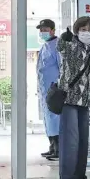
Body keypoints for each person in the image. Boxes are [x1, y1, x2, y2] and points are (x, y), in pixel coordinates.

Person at [57, 17, 90, 179]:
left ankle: (79, 176)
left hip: (85, 100)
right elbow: (60, 48)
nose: (87, 33)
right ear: (76, 31)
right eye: (83, 29)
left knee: (83, 140)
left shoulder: (89, 49)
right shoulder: (71, 45)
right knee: (71, 141)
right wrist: (64, 38)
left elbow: (85, 73)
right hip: (70, 100)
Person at [36, 19, 61, 160]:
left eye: (45, 29)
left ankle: (58, 149)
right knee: (48, 120)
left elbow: (62, 67)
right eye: (41, 30)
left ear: (52, 30)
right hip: (45, 91)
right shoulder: (45, 46)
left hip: (54, 90)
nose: (42, 32)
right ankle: (52, 147)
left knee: (55, 120)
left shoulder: (57, 46)